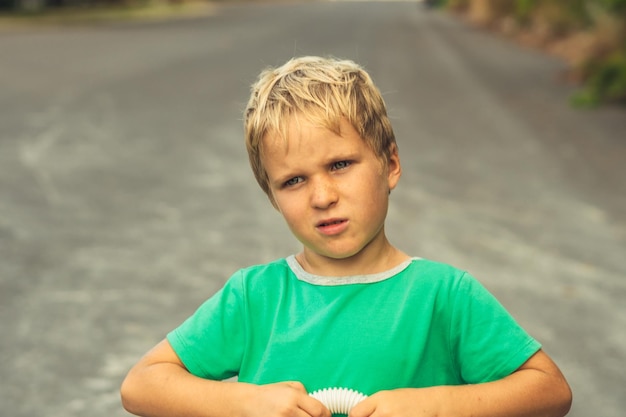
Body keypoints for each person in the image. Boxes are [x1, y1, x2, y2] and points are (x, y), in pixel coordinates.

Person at [120, 56, 572, 417]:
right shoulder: (254, 297)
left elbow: (550, 391)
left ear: (390, 164)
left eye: (339, 165)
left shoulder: (443, 295)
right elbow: (141, 384)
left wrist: (437, 406)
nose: (322, 196)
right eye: (293, 181)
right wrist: (244, 402)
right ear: (272, 196)